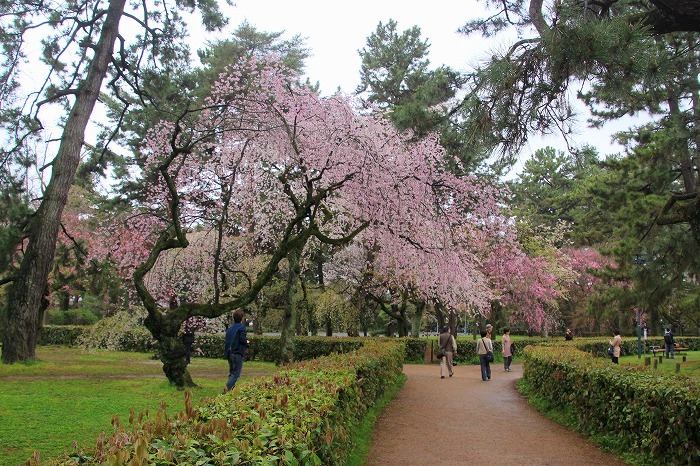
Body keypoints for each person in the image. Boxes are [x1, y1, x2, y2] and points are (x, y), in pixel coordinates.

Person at [224, 309, 247, 393]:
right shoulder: (242, 328)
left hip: (230, 353)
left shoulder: (230, 329)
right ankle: (227, 387)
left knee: (232, 372)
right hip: (237, 353)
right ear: (242, 318)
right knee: (236, 374)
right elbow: (242, 340)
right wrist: (247, 342)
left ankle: (232, 390)